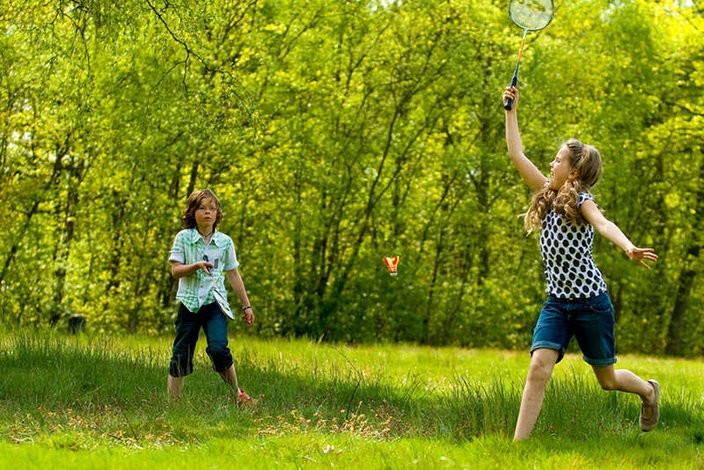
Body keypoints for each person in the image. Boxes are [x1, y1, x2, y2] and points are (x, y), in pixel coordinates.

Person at [503, 86, 660, 441]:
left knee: (608, 380)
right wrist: (511, 112)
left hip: (591, 304)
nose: (551, 164)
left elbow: (603, 224)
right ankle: (516, 448)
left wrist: (628, 247)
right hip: (557, 304)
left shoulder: (582, 202)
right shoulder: (546, 193)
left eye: (558, 160)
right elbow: (516, 154)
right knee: (538, 368)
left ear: (573, 172)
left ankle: (648, 391)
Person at [167, 188, 255, 405]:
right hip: (189, 304)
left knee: (218, 349)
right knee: (181, 354)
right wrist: (195, 266)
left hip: (215, 304)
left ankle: (238, 394)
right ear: (192, 212)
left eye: (212, 209)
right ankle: (173, 406)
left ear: (217, 214)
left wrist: (246, 306)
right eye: (202, 208)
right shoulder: (183, 238)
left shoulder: (225, 242)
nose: (207, 212)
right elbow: (175, 271)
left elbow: (233, 274)